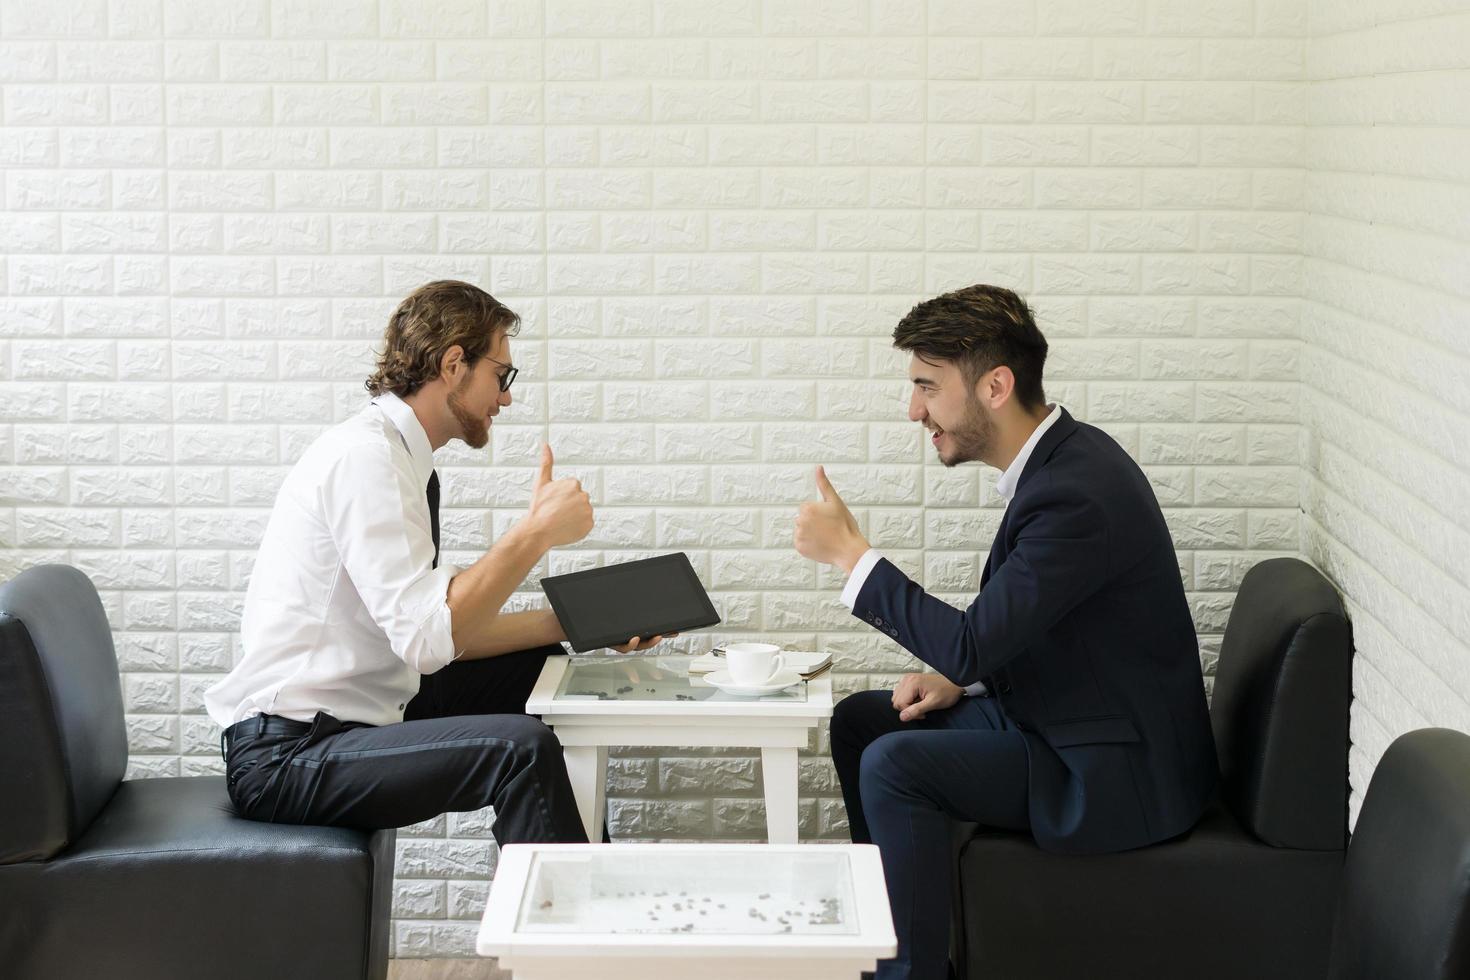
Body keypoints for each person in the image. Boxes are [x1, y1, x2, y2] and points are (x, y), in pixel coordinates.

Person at [793, 284, 1218, 980]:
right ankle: (898, 943)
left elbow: (969, 640)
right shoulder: (1064, 464)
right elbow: (1021, 634)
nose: (914, 410)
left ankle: (915, 973)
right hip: (1065, 717)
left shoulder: (1076, 493)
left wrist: (851, 555)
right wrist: (963, 679)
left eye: (927, 387)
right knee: (862, 723)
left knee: (894, 765)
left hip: (1111, 768)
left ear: (995, 385)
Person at [205, 280, 665, 842]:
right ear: (454, 364)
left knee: (538, 666)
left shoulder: (398, 457)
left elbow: (438, 635)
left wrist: (579, 624)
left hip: (346, 720)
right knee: (518, 752)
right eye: (502, 375)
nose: (506, 398)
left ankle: (584, 873)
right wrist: (533, 534)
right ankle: (567, 923)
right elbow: (429, 642)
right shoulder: (367, 458)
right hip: (290, 754)